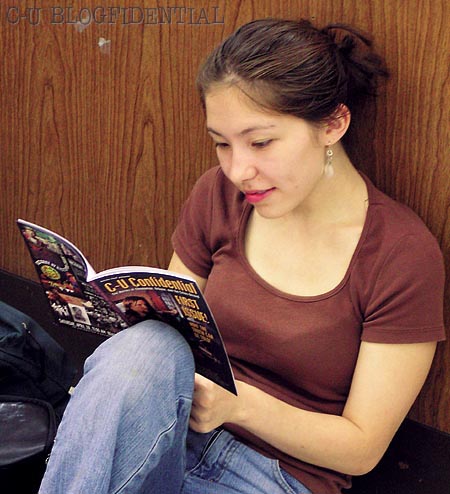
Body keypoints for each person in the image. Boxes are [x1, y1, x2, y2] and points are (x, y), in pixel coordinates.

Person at [38, 18, 445, 494]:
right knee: (145, 346)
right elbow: (169, 336)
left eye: (261, 142)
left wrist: (239, 406)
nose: (238, 170)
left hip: (276, 476)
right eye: (221, 144)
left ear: (333, 123)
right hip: (172, 434)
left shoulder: (400, 253)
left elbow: (362, 448)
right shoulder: (220, 196)